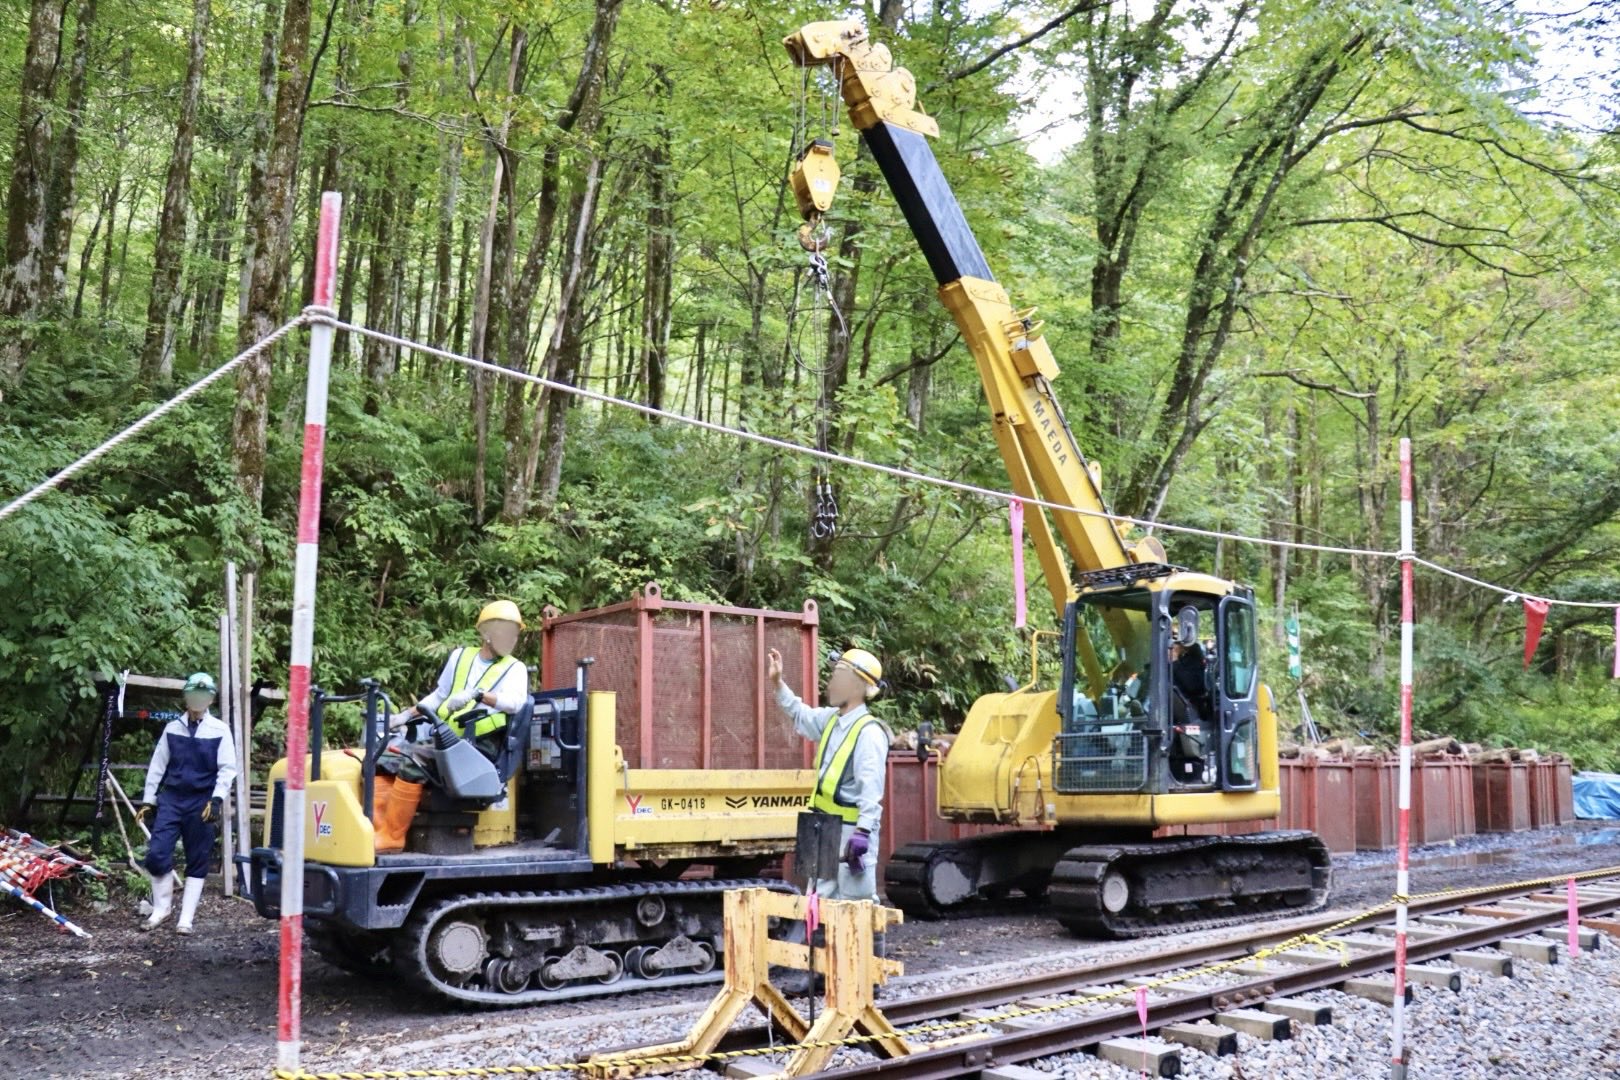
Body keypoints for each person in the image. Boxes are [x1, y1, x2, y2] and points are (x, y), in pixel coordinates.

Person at [373, 600, 531, 852]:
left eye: (515, 633)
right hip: (447, 741)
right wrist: (403, 717)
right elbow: (439, 695)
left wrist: (478, 694)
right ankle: (377, 831)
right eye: (505, 631)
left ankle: (392, 837)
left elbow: (515, 703)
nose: (512, 638)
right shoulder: (460, 657)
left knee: (413, 759)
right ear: (487, 633)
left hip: (480, 746)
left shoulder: (515, 668)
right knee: (385, 759)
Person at [766, 646, 890, 901]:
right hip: (822, 827)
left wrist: (863, 832)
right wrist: (778, 683)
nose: (832, 684)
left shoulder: (869, 733)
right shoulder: (831, 720)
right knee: (819, 899)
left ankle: (867, 943)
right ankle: (821, 943)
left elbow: (871, 789)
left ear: (857, 687)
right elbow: (800, 713)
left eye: (839, 678)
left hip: (849, 832)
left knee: (856, 904)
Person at [136, 672, 237, 934]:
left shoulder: (220, 730)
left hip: (201, 801)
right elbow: (158, 766)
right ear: (186, 697)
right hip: (171, 799)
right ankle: (161, 909)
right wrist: (149, 800)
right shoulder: (172, 729)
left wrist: (217, 799)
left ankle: (186, 919)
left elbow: (228, 769)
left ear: (211, 699)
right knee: (157, 854)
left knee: (197, 857)